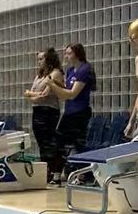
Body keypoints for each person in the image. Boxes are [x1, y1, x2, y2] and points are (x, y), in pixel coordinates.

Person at [47, 42, 96, 169]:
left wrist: (52, 85)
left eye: (69, 54)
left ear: (77, 54)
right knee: (58, 141)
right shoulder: (70, 71)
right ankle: (57, 172)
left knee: (78, 144)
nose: (66, 57)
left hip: (80, 112)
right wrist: (56, 84)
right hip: (69, 112)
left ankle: (84, 172)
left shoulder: (84, 69)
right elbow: (66, 91)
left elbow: (72, 94)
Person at [25, 48, 65, 183]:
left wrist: (31, 94)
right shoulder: (40, 75)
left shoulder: (55, 74)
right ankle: (46, 170)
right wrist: (33, 95)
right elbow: (32, 94)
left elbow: (44, 94)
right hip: (37, 111)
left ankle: (54, 171)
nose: (39, 62)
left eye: (41, 59)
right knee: (41, 142)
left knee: (49, 142)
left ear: (49, 59)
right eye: (38, 59)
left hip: (49, 111)